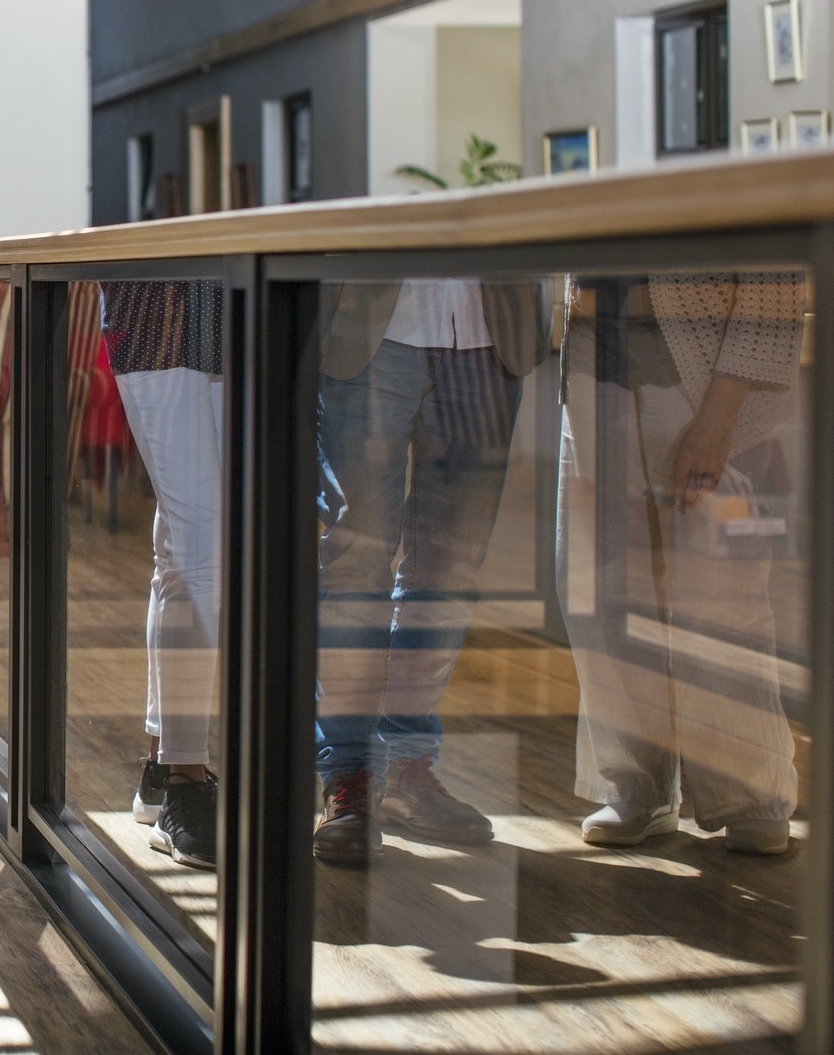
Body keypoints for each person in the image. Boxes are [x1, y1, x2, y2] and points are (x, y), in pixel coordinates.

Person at [561, 272, 802, 854]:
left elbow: (774, 278)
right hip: (595, 350)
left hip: (708, 375)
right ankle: (636, 788)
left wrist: (720, 417)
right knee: (600, 587)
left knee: (719, 591)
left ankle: (753, 794)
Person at [313, 279, 545, 865]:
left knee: (450, 572)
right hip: (371, 326)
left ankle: (408, 765)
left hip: (488, 336)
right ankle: (350, 775)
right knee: (355, 564)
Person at [102, 280, 225, 869]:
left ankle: (163, 762)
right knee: (200, 550)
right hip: (158, 313)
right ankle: (185, 777)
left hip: (241, 308)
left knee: (185, 546)